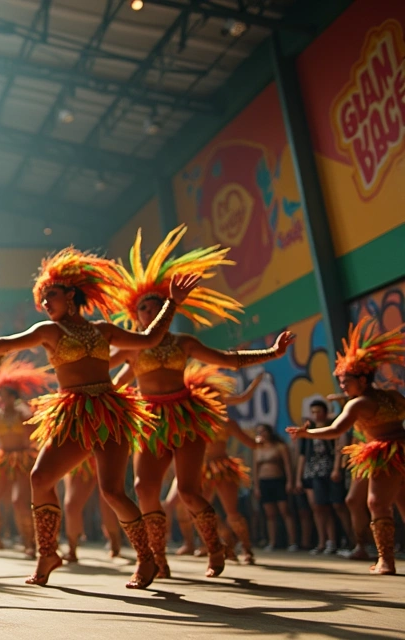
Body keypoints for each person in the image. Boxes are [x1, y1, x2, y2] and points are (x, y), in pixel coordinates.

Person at [0, 248, 200, 588]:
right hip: (73, 414)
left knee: (112, 491)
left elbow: (149, 339)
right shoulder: (49, 331)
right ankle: (48, 552)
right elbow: (7, 343)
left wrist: (173, 303)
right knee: (41, 477)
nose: (46, 303)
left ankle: (146, 559)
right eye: (43, 298)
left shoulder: (104, 330)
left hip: (108, 411)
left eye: (52, 295)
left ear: (71, 296)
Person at [108, 226, 293, 578]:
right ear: (136, 314)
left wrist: (272, 352)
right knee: (143, 487)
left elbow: (227, 359)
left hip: (185, 415)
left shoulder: (184, 342)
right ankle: (158, 558)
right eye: (145, 307)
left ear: (168, 309)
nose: (151, 311)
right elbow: (110, 379)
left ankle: (215, 547)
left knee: (190, 491)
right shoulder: (131, 348)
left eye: (158, 305)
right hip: (150, 419)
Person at [288, 319, 405, 575]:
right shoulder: (390, 396)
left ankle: (385, 560)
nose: (342, 385)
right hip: (391, 451)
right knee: (358, 500)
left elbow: (336, 430)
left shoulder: (357, 404)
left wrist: (307, 433)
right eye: (340, 380)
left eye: (345, 380)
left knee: (376, 503)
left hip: (387, 453)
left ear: (363, 379)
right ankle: (363, 547)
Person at [173, 365, 262, 564]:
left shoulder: (227, 422)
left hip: (222, 468)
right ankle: (221, 542)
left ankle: (247, 550)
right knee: (198, 511)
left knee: (232, 512)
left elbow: (249, 442)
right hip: (201, 470)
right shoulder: (194, 421)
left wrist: (258, 443)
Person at [0, 356, 54, 556]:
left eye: (5, 395)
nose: (1, 399)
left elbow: (38, 433)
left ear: (14, 396)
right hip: (3, 460)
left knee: (20, 501)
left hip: (23, 460)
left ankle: (29, 543)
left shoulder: (22, 414)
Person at [297, 399, 354, 555]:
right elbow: (302, 455)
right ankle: (325, 542)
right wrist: (299, 477)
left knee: (338, 505)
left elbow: (338, 449)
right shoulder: (309, 430)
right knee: (320, 507)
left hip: (330, 471)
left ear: (325, 412)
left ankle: (352, 540)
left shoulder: (334, 426)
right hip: (313, 473)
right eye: (313, 412)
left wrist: (337, 468)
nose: (316, 415)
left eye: (319, 411)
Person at [253, 424, 297, 552]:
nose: (262, 434)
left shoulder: (280, 447)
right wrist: (256, 487)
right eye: (259, 431)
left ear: (269, 432)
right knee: (269, 514)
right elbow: (255, 470)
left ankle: (292, 542)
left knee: (285, 511)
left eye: (263, 431)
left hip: (278, 480)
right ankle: (272, 542)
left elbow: (288, 465)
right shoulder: (257, 449)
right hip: (264, 482)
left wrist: (290, 482)